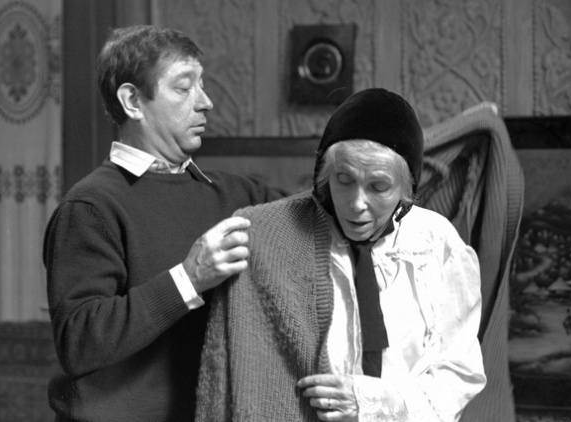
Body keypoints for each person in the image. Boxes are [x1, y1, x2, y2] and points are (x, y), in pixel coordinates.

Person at [196, 88, 486, 421]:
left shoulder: (436, 245)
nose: (356, 203)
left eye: (378, 187)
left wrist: (376, 404)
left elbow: (459, 372)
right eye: (344, 180)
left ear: (406, 189)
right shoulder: (274, 235)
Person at [42, 25, 284, 422]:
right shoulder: (90, 207)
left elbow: (321, 217)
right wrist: (189, 278)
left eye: (201, 85)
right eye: (184, 88)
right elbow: (79, 342)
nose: (205, 102)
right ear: (133, 101)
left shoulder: (240, 195)